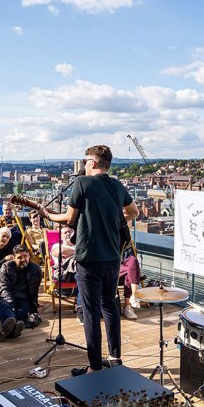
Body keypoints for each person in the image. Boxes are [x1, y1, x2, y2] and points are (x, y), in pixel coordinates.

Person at [41, 145, 138, 376]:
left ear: (93, 163)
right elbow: (133, 211)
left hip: (89, 258)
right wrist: (112, 219)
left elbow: (69, 218)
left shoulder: (82, 183)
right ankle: (115, 357)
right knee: (111, 306)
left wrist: (48, 215)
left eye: (85, 160)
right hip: (113, 258)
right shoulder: (117, 185)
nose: (83, 164)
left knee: (92, 311)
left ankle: (94, 366)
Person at [0, 246, 42, 342]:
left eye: (25, 256)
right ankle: (13, 328)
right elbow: (4, 288)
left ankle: (8, 330)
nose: (23, 259)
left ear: (29, 256)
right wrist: (11, 304)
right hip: (2, 296)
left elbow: (34, 289)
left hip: (23, 298)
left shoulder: (36, 269)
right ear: (14, 258)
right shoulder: (6, 267)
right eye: (19, 257)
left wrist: (34, 306)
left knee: (23, 311)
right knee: (4, 306)